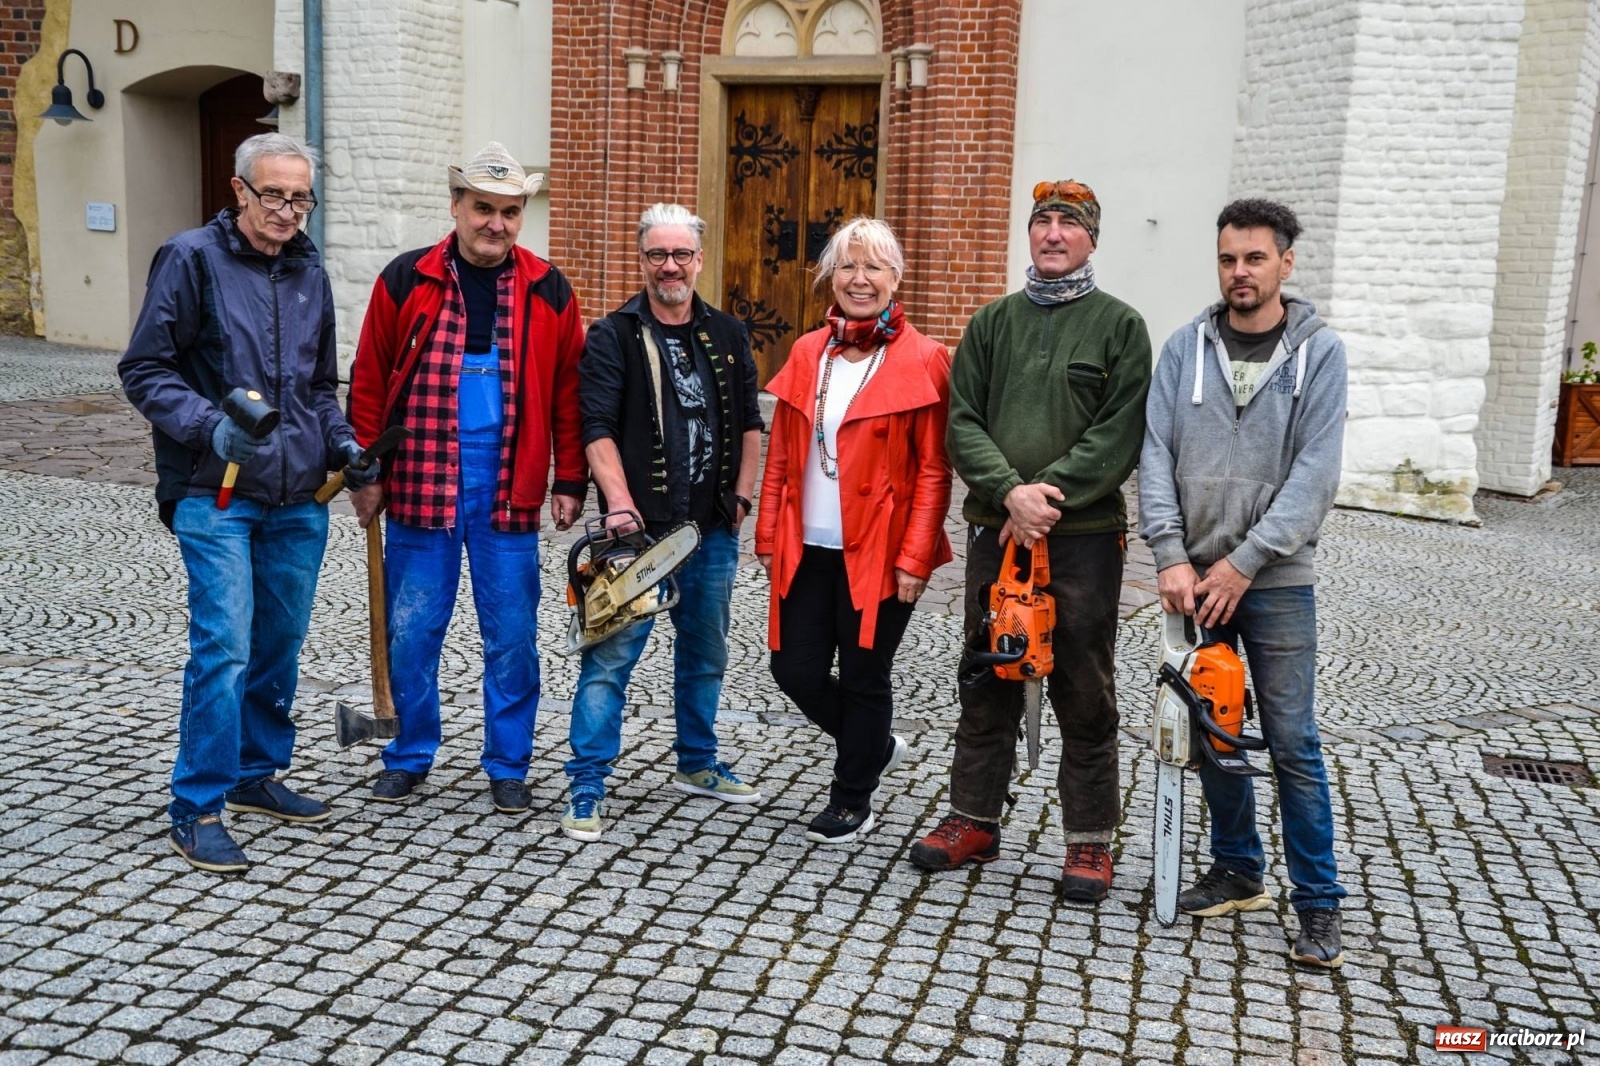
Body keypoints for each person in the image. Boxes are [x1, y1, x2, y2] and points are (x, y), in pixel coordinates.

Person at [120, 132, 366, 872]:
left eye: (301, 198)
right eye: (273, 194)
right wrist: (208, 426)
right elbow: (145, 368)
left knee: (279, 645)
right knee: (224, 646)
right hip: (214, 492)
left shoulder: (309, 270)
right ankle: (196, 805)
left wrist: (342, 444)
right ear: (239, 191)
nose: (287, 210)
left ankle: (256, 774)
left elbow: (317, 387)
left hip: (298, 497)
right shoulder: (190, 258)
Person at [909, 179, 1152, 903]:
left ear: (1091, 239)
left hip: (1083, 539)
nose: (1052, 234)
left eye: (1068, 224)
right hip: (997, 531)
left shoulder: (1120, 327)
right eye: (1042, 221)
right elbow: (962, 422)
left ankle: (1089, 840)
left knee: (1083, 682)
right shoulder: (992, 323)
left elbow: (1120, 431)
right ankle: (973, 818)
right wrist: (1009, 493)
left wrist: (1045, 498)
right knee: (987, 671)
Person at [346, 142, 587, 814]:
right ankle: (407, 755)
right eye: (483, 208)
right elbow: (369, 379)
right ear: (455, 206)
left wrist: (570, 478)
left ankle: (508, 765)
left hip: (508, 483)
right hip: (421, 478)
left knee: (511, 636)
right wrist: (365, 469)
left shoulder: (548, 288)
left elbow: (570, 393)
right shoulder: (406, 279)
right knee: (411, 630)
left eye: (510, 212)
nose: (496, 224)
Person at [1138, 198, 1348, 967]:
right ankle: (1237, 870)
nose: (1239, 272)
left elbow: (1315, 474)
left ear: (1285, 262)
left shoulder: (1320, 354)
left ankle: (1319, 903)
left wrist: (1246, 562)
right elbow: (1154, 452)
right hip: (1195, 576)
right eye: (1229, 258)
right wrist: (1170, 554)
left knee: (1292, 741)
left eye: (1255, 258)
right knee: (1214, 727)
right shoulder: (1184, 349)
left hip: (1277, 578)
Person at [561, 203, 764, 842]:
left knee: (705, 654)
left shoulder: (728, 332)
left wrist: (742, 498)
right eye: (657, 254)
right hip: (638, 535)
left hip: (711, 529)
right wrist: (619, 504)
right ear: (642, 259)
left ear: (699, 259)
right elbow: (596, 427)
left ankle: (697, 763)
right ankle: (587, 782)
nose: (669, 266)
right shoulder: (613, 334)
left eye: (680, 254)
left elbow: (751, 423)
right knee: (609, 659)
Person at [755, 218, 951, 845]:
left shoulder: (924, 358)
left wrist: (916, 557)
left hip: (880, 552)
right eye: (846, 266)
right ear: (829, 277)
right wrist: (767, 534)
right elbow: (781, 457)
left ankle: (851, 796)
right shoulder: (810, 351)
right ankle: (874, 745)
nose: (859, 279)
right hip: (806, 544)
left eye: (873, 267)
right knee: (794, 670)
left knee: (865, 675)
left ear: (896, 278)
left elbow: (933, 469)